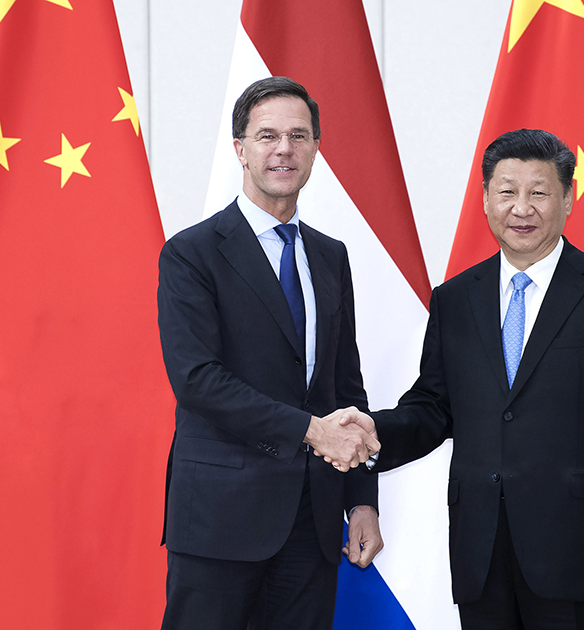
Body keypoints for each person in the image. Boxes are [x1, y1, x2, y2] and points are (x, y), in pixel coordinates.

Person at [338, 129, 584, 629]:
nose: (522, 208)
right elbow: (434, 407)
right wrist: (370, 434)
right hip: (483, 551)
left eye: (539, 192)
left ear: (568, 199)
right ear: (485, 200)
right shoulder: (455, 299)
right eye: (507, 192)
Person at [156, 76, 382, 630]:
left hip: (313, 519)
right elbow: (198, 379)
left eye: (298, 136)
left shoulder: (331, 256)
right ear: (240, 149)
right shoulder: (191, 253)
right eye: (267, 136)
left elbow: (345, 388)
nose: (284, 149)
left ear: (315, 149)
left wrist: (362, 500)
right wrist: (312, 431)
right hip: (220, 518)